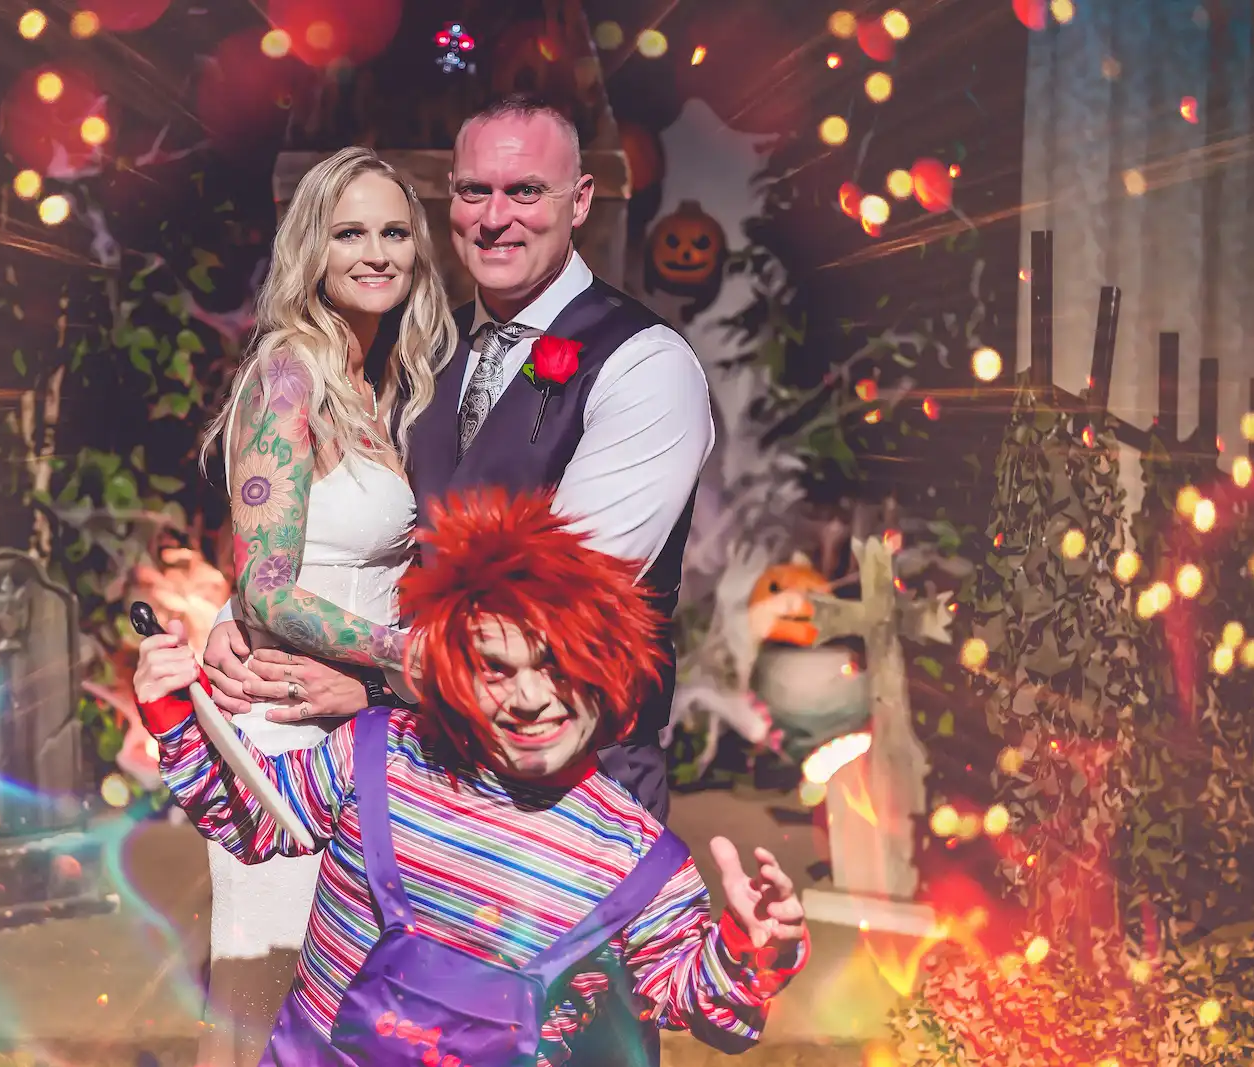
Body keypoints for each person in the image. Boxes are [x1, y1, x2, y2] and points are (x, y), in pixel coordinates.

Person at [133, 490, 807, 1067]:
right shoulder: (379, 753)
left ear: (608, 670)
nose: (531, 696)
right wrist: (173, 710)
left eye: (560, 666)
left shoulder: (634, 857)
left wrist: (751, 950)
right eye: (497, 667)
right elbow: (246, 818)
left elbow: (712, 1014)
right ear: (455, 670)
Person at [202, 93, 713, 828]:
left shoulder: (645, 366)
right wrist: (247, 617)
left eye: (526, 190)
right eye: (476, 190)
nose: (495, 216)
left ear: (581, 201)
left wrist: (380, 687)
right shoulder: (424, 360)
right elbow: (351, 534)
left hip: (577, 794)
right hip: (423, 777)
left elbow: (551, 611)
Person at [191, 145, 456, 1066]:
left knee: (356, 1007)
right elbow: (267, 585)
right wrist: (410, 658)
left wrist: (388, 687)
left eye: (393, 232)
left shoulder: (383, 379)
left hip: (357, 726)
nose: (376, 253)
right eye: (350, 233)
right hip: (288, 737)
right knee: (279, 1011)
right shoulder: (290, 375)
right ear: (314, 248)